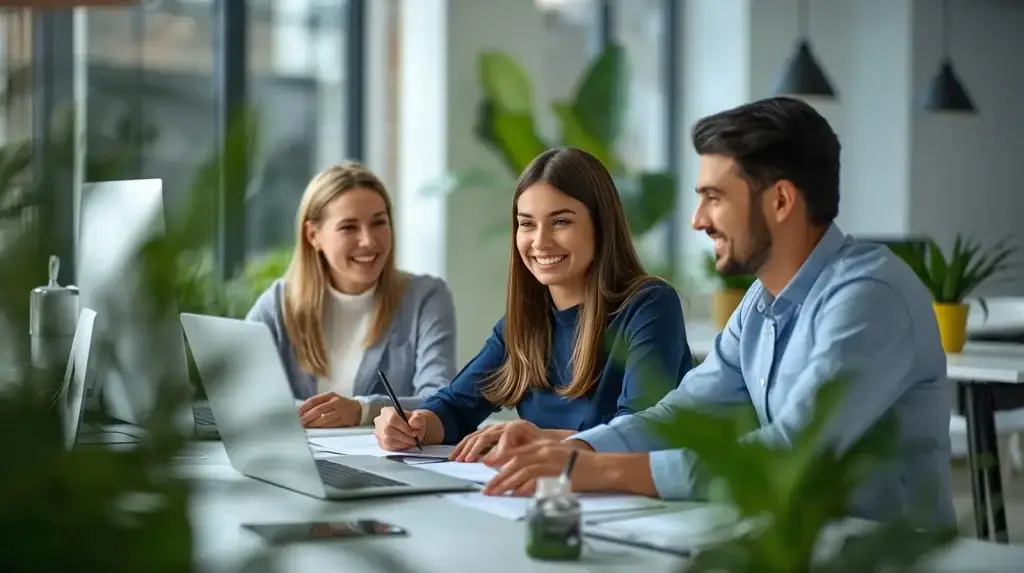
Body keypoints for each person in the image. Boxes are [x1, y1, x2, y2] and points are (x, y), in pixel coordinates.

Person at [478, 97, 956, 527]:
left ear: (781, 201)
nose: (698, 219)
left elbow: (791, 452)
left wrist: (599, 469)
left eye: (715, 197)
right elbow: (679, 414)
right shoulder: (759, 303)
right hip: (794, 545)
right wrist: (575, 449)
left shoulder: (869, 297)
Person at [373, 147, 693, 458]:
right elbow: (455, 406)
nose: (540, 241)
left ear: (601, 226)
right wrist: (413, 426)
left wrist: (542, 440)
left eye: (561, 222)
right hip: (544, 495)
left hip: (628, 503)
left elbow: (639, 429)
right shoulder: (525, 322)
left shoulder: (650, 306)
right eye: (527, 224)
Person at [246, 162, 458, 428]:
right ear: (313, 235)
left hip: (385, 464)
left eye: (379, 222)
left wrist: (363, 410)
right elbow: (240, 400)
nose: (369, 240)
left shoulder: (425, 299)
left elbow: (441, 400)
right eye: (349, 227)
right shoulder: (278, 305)